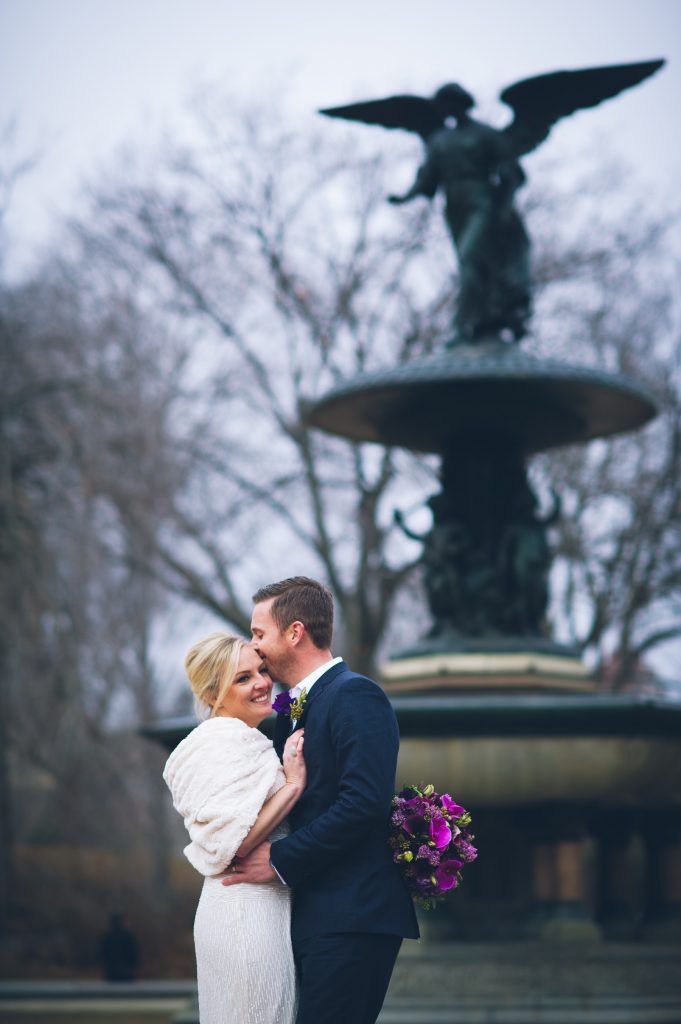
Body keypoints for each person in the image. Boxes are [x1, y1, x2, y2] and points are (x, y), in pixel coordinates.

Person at [221, 576, 419, 1024]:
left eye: (259, 634)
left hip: (352, 915)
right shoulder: (294, 708)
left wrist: (278, 858)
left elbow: (363, 804)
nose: (254, 648)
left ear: (294, 633)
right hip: (317, 912)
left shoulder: (355, 695)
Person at [163, 633, 306, 1024]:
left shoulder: (243, 739)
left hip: (252, 905)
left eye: (261, 670)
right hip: (245, 911)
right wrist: (292, 786)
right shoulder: (223, 742)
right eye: (243, 678)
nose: (262, 683)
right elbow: (235, 842)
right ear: (213, 694)